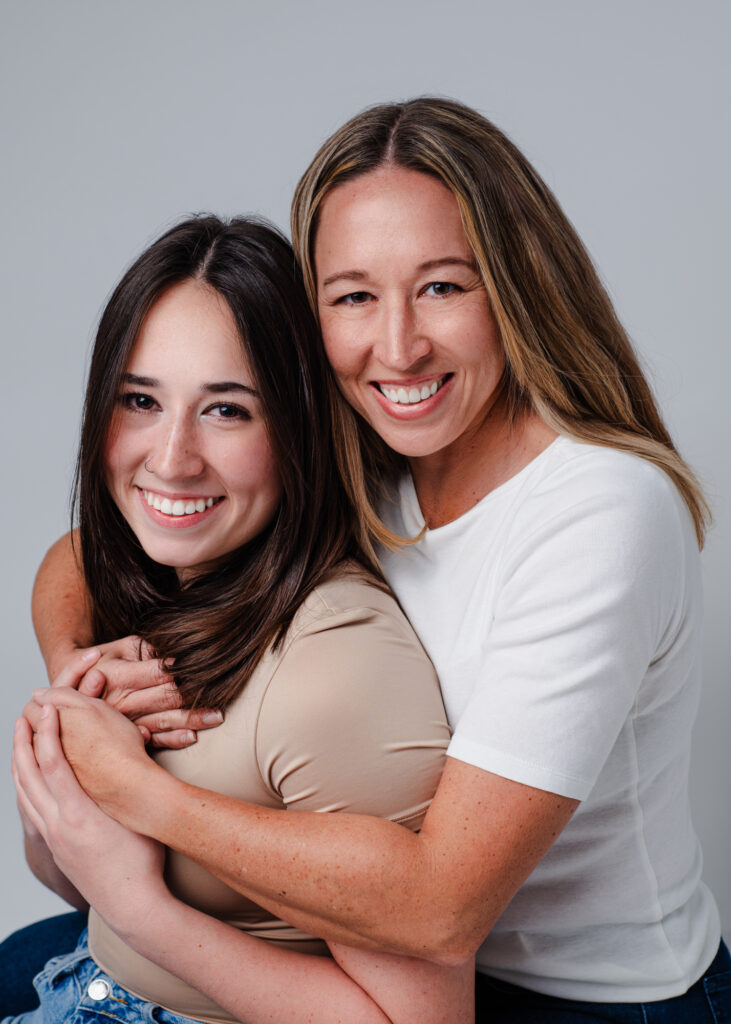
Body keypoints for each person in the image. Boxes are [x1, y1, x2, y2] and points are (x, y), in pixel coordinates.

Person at [18, 97, 731, 1022]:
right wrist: (84, 674)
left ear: (515, 288)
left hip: (576, 995)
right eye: (354, 296)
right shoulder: (367, 457)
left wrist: (137, 799)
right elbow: (88, 550)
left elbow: (439, 911)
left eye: (443, 286)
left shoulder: (600, 511)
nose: (396, 348)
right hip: (367, 957)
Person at [7, 214, 474, 1023]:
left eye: (227, 411)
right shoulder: (174, 573)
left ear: (299, 428)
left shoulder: (334, 673)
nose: (171, 458)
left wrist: (139, 903)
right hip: (89, 983)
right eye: (141, 400)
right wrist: (70, 697)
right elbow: (76, 552)